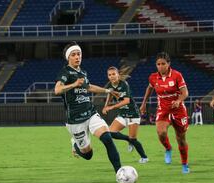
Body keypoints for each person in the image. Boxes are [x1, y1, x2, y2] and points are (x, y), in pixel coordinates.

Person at [54, 41, 122, 175]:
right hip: (75, 119)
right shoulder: (65, 72)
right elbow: (57, 90)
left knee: (107, 138)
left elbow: (89, 87)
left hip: (90, 113)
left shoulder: (83, 72)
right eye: (73, 54)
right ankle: (75, 144)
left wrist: (107, 91)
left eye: (79, 54)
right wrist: (73, 84)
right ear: (68, 57)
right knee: (88, 154)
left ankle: (120, 173)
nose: (77, 57)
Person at [140, 52, 190, 174]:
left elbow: (185, 93)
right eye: (158, 64)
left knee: (181, 139)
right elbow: (149, 88)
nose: (160, 66)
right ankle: (168, 148)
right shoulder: (153, 77)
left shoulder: (177, 75)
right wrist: (143, 103)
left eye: (163, 63)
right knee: (161, 133)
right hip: (163, 110)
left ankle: (184, 164)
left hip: (178, 111)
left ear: (168, 64)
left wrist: (178, 101)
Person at [102, 66, 149, 164]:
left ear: (118, 75)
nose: (112, 76)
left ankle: (144, 157)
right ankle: (128, 140)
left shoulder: (124, 84)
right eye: (109, 75)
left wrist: (111, 107)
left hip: (133, 114)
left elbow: (126, 101)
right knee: (111, 133)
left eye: (114, 74)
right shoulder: (110, 85)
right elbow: (110, 94)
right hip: (122, 114)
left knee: (133, 139)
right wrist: (105, 106)